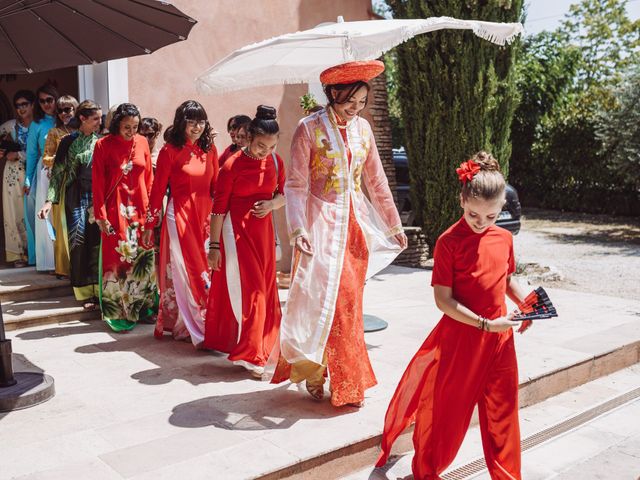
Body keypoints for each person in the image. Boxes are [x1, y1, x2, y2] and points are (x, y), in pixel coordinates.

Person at [376, 152, 532, 479]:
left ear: (502, 207)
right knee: (447, 415)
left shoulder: (504, 238)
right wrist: (486, 324)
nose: (481, 222)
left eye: (490, 216)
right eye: (474, 214)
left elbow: (505, 279)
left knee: (504, 415)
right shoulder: (449, 242)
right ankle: (427, 472)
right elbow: (443, 301)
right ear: (462, 199)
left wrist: (528, 301)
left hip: (500, 343)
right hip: (462, 340)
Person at [265, 60, 407, 407]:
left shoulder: (363, 131)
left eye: (360, 103)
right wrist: (297, 228)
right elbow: (296, 185)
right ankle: (316, 370)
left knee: (349, 304)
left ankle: (346, 379)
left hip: (354, 227)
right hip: (319, 226)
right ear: (332, 94)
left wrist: (393, 223)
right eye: (349, 102)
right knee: (322, 301)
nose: (354, 110)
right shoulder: (308, 128)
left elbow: (376, 181)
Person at [204, 105, 285, 377]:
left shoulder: (276, 162)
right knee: (252, 292)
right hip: (236, 233)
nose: (266, 151)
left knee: (267, 289)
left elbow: (284, 196)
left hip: (264, 234)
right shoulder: (231, 165)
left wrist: (272, 204)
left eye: (272, 146)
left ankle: (266, 344)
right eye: (261, 145)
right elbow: (218, 209)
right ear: (249, 137)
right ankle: (252, 353)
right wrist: (213, 247)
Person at [142, 100, 218, 345]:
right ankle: (195, 327)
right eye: (191, 121)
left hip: (206, 217)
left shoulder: (210, 149)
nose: (197, 127)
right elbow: (157, 190)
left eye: (201, 121)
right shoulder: (169, 151)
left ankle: (192, 323)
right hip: (180, 216)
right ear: (181, 123)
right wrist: (148, 224)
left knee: (205, 269)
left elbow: (216, 187)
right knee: (188, 269)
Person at [92, 103, 157, 332]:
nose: (132, 131)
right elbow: (98, 183)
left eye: (135, 126)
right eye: (127, 127)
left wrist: (152, 211)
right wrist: (100, 215)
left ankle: (145, 308)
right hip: (115, 211)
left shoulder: (141, 143)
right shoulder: (102, 145)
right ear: (116, 125)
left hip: (141, 208)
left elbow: (149, 178)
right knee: (119, 259)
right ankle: (119, 312)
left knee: (142, 258)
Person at [43, 100, 102, 309]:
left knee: (97, 243)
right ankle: (83, 292)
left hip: (97, 197)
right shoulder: (68, 141)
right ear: (83, 119)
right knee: (78, 242)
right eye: (95, 118)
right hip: (75, 196)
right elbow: (58, 172)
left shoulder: (102, 141)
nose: (99, 122)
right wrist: (50, 201)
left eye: (100, 118)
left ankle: (98, 291)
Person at [37, 95, 79, 277]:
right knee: (62, 224)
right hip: (61, 181)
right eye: (60, 110)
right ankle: (63, 268)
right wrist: (63, 157)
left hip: (81, 181)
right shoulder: (55, 132)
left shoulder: (82, 131)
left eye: (68, 109)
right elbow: (46, 158)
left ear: (76, 110)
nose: (64, 114)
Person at [25, 83, 59, 269]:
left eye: (49, 100)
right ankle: (48, 261)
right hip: (44, 172)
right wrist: (28, 178)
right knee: (45, 214)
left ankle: (63, 260)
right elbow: (31, 153)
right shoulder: (37, 124)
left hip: (65, 172)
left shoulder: (65, 120)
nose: (46, 104)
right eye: (42, 101)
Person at [0, 90, 34, 267]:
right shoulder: (10, 126)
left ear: (32, 105)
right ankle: (18, 255)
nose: (21, 108)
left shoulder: (39, 125)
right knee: (14, 212)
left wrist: (18, 154)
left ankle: (34, 253)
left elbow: (40, 153)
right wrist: (3, 152)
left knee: (32, 213)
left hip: (34, 173)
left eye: (25, 104)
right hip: (12, 175)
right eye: (18, 105)